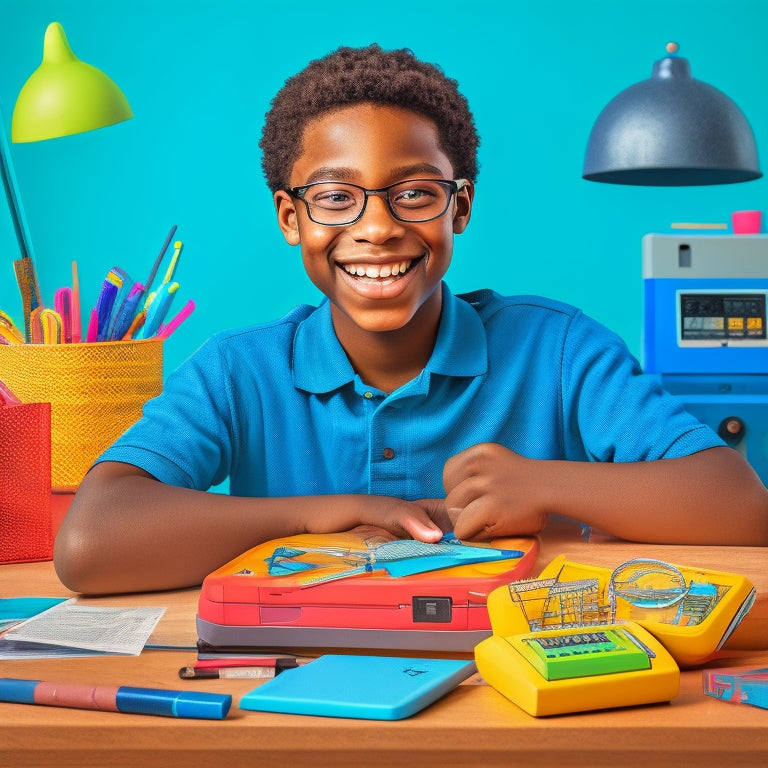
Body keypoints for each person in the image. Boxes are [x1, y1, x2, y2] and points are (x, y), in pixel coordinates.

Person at [54, 45, 768, 595]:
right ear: (290, 217)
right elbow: (91, 545)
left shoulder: (557, 349)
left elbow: (740, 506)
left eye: (415, 193)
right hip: (295, 689)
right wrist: (319, 513)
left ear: (459, 207)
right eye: (336, 198)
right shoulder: (239, 370)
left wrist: (544, 484)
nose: (378, 228)